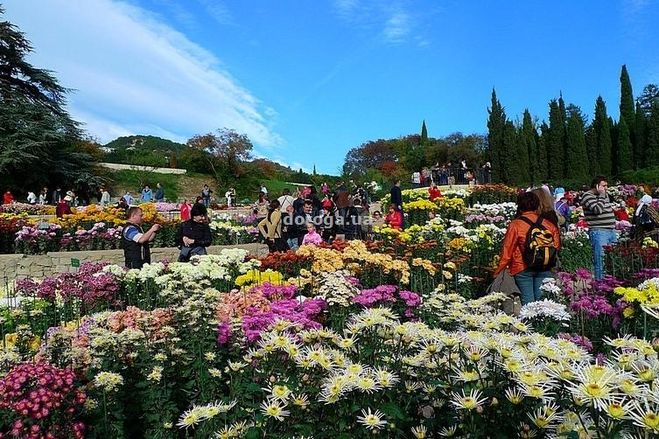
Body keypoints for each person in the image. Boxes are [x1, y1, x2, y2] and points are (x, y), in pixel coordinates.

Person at [494, 192, 561, 305]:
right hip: (544, 265)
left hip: (522, 267)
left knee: (528, 303)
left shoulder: (515, 225)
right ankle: (542, 321)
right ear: (537, 205)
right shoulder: (548, 224)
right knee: (543, 303)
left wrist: (498, 271)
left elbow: (507, 250)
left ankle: (529, 321)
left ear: (519, 206)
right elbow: (556, 246)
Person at [581, 176, 617, 280]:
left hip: (610, 230)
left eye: (607, 185)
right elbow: (597, 210)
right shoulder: (587, 196)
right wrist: (601, 195)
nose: (606, 188)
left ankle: (611, 283)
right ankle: (600, 286)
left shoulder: (604, 195)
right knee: (600, 261)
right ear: (596, 186)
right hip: (599, 231)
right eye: (603, 186)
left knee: (613, 260)